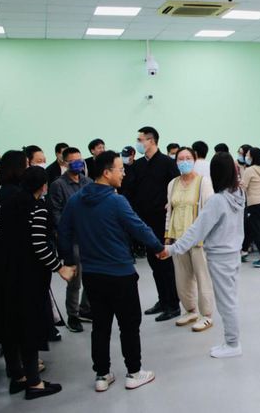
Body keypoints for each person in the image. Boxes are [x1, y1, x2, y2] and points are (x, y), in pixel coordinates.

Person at [58, 151, 163, 392]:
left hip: (92, 275)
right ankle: (134, 372)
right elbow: (138, 227)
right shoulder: (116, 201)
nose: (123, 173)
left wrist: (69, 261)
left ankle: (102, 375)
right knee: (129, 324)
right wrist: (158, 248)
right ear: (106, 173)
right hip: (120, 274)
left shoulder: (76, 200)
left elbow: (63, 232)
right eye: (120, 169)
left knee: (100, 326)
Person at [0, 166, 74, 400]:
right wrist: (60, 267)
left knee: (10, 325)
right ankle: (35, 383)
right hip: (27, 277)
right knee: (29, 328)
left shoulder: (5, 204)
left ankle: (18, 376)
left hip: (2, 273)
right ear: (43, 186)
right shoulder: (38, 208)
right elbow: (39, 245)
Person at [160, 152, 246, 358]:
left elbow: (196, 230)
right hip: (233, 254)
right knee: (229, 300)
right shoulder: (238, 194)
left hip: (220, 257)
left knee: (226, 303)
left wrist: (171, 249)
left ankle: (233, 344)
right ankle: (231, 342)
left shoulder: (217, 200)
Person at [125, 126, 181, 322]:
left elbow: (177, 187)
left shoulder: (167, 163)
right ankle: (162, 300)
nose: (138, 143)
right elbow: (130, 189)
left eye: (140, 140)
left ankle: (173, 304)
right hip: (144, 221)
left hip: (162, 221)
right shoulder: (138, 165)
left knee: (165, 264)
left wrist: (171, 204)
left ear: (151, 141)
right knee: (153, 263)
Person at [164, 147, 215, 331]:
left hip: (198, 239)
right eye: (180, 159)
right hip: (178, 238)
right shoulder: (172, 184)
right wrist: (168, 235)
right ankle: (190, 310)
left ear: (194, 160)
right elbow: (170, 210)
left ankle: (207, 315)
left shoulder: (203, 183)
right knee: (182, 277)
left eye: (187, 158)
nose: (184, 161)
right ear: (176, 162)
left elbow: (209, 211)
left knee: (202, 277)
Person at [47, 147, 93, 333]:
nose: (78, 164)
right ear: (65, 163)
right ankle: (73, 315)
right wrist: (66, 230)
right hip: (72, 238)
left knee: (92, 275)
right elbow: (55, 212)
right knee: (75, 279)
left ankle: (85, 309)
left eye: (79, 160)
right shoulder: (58, 185)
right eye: (73, 161)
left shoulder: (88, 182)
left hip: (90, 237)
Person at [240, 147, 260, 268]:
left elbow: (243, 187)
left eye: (248, 155)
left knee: (256, 230)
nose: (246, 157)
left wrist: (237, 183)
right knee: (250, 227)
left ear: (252, 157)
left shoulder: (250, 170)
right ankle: (244, 251)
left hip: (255, 203)